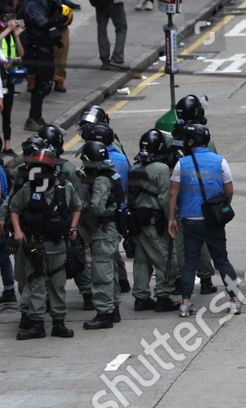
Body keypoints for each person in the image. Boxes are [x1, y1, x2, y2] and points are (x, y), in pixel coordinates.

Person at [8, 137, 82, 339]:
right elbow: (14, 209)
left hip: (57, 245)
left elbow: (77, 207)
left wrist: (73, 227)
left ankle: (59, 322)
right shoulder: (28, 189)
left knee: (57, 285)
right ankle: (37, 324)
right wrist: (18, 231)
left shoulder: (64, 188)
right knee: (36, 283)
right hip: (35, 245)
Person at [165, 124, 240, 316]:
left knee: (190, 261)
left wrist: (172, 218)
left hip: (190, 219)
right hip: (213, 220)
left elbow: (173, 193)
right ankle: (234, 299)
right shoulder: (220, 161)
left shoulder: (182, 163)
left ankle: (185, 302)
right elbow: (229, 190)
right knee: (222, 261)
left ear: (190, 141)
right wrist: (221, 208)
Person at [127, 129, 175, 312]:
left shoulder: (134, 167)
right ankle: (163, 296)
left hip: (137, 222)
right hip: (155, 222)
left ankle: (141, 297)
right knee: (166, 257)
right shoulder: (161, 169)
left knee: (142, 259)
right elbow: (165, 199)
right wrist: (171, 219)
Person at [78, 140, 123, 329]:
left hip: (103, 231)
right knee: (110, 270)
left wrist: (82, 208)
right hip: (112, 229)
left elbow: (96, 208)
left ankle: (104, 313)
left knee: (101, 272)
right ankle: (113, 309)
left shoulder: (101, 180)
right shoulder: (112, 174)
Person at [20, 0, 65, 133]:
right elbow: (43, 23)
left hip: (45, 49)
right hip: (37, 51)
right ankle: (32, 119)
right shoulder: (32, 4)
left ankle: (37, 117)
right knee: (40, 85)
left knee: (45, 84)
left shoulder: (43, 4)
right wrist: (56, 20)